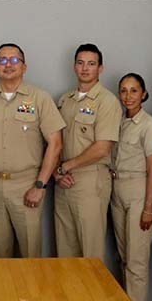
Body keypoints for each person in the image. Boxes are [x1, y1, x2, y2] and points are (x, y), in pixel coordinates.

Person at [0, 43, 64, 258]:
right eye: (2, 60)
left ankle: (30, 294)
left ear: (24, 66)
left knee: (29, 253)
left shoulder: (39, 98)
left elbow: (55, 143)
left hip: (27, 184)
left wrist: (40, 185)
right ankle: (0, 293)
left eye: (14, 60)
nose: (8, 65)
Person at [54, 43, 121, 260]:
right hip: (63, 182)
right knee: (66, 252)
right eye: (81, 63)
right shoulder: (65, 100)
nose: (85, 68)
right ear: (74, 66)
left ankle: (92, 295)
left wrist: (66, 167)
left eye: (91, 64)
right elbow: (55, 142)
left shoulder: (107, 101)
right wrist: (57, 172)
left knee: (90, 254)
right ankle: (70, 295)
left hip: (90, 181)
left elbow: (102, 148)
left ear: (100, 68)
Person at [109, 73, 152, 301]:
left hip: (140, 191)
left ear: (144, 93)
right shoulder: (118, 121)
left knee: (137, 260)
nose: (128, 96)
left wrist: (149, 207)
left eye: (134, 90)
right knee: (124, 257)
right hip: (117, 190)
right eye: (123, 90)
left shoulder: (149, 125)